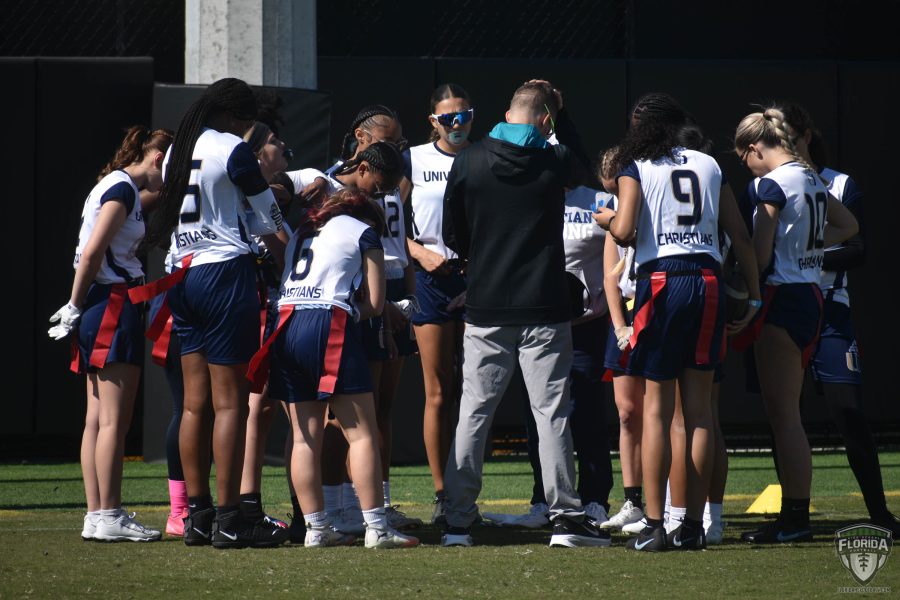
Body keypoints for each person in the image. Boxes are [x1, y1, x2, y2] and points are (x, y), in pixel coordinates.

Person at [441, 79, 609, 548]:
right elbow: (580, 168)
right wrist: (563, 116)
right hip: (544, 305)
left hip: (486, 304)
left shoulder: (469, 159)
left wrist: (480, 258)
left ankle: (457, 522)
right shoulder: (553, 159)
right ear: (547, 120)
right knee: (551, 414)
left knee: (474, 412)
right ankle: (565, 519)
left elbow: (452, 233)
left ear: (506, 114)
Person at [593, 93, 761, 551]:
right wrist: (754, 295)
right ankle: (691, 525)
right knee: (700, 412)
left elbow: (624, 230)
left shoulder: (637, 166)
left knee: (657, 410)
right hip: (708, 281)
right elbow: (740, 235)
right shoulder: (709, 163)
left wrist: (606, 218)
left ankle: (654, 523)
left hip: (663, 281)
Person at [139, 77, 289, 549]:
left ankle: (199, 516)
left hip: (181, 276)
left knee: (193, 404)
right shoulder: (232, 148)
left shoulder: (180, 148)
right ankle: (230, 518)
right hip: (224, 273)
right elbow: (268, 218)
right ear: (235, 116)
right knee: (230, 404)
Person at [256, 187, 419, 549]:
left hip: (286, 322)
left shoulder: (304, 229)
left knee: (304, 437)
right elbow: (375, 303)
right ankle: (376, 527)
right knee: (362, 433)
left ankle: (316, 528)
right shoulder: (364, 232)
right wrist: (355, 311)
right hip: (328, 323)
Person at [731, 106, 858, 544]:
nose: (746, 167)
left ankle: (795, 518)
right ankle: (793, 516)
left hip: (782, 296)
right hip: (809, 296)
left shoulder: (772, 183)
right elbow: (849, 225)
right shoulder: (810, 176)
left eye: (743, 158)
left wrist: (744, 283)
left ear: (754, 148)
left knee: (784, 416)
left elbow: (761, 254)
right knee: (788, 415)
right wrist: (809, 245)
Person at [777, 102, 899, 536]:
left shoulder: (840, 184)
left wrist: (808, 256)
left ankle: (879, 512)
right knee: (785, 413)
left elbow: (858, 248)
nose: (782, 146)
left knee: (848, 410)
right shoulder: (771, 183)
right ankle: (793, 516)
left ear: (806, 136)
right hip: (786, 306)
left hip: (830, 308)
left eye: (789, 137)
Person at [48, 125, 172, 542]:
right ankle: (110, 513)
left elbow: (149, 200)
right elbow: (92, 252)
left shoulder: (119, 186)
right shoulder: (120, 190)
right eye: (171, 168)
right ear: (157, 159)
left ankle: (97, 514)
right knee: (113, 422)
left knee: (97, 420)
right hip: (111, 305)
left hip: (100, 304)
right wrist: (73, 303)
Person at [482, 180, 616, 530]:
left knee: (587, 412)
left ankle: (595, 500)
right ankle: (543, 500)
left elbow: (622, 250)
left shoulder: (599, 200)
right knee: (538, 415)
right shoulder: (523, 196)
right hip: (537, 323)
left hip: (586, 324)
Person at [403, 84, 473, 524]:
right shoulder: (413, 159)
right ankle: (443, 493)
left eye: (465, 115)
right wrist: (420, 253)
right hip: (429, 277)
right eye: (449, 118)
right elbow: (388, 221)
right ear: (433, 122)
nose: (458, 124)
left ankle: (466, 493)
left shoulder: (482, 156)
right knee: (438, 390)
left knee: (473, 391)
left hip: (474, 276)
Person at [594, 147, 647, 533]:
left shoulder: (654, 202)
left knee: (663, 412)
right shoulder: (613, 209)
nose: (615, 195)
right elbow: (611, 275)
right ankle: (633, 501)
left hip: (657, 304)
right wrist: (618, 327)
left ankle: (668, 503)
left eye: (619, 187)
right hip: (627, 316)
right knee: (627, 413)